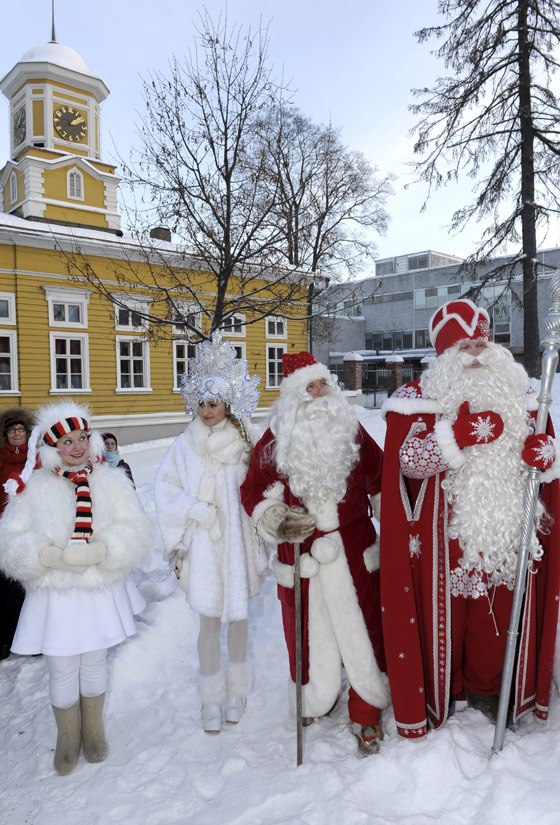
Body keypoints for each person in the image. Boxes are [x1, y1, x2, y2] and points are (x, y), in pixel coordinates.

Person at [380, 298, 560, 741]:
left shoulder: (522, 394)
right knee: (447, 621)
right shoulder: (417, 400)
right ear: (445, 353)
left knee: (493, 620)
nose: (476, 354)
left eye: (481, 345)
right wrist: (458, 434)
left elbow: (544, 462)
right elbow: (407, 464)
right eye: (464, 347)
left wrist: (546, 458)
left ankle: (489, 690)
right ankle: (443, 691)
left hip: (503, 532)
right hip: (445, 537)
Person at [240, 351, 389, 756]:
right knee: (304, 634)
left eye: (324, 383)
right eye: (311, 386)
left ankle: (366, 708)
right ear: (294, 396)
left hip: (354, 549)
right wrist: (277, 518)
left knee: (366, 630)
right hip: (302, 555)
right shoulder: (276, 439)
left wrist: (393, 526)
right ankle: (312, 699)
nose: (321, 392)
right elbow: (252, 490)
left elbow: (380, 479)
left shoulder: (351, 429)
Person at [0, 401, 152, 774]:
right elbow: (10, 538)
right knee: (62, 666)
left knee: (95, 662)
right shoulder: (33, 486)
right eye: (67, 442)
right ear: (53, 447)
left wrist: (105, 549)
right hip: (55, 595)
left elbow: (134, 527)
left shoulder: (109, 480)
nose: (78, 447)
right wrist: (44, 555)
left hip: (97, 589)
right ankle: (68, 738)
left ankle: (93, 730)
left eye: (82, 438)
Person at [155, 332, 267, 734]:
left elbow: (265, 484)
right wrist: (196, 510)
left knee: (238, 618)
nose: (206, 410)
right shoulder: (185, 445)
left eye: (214, 403)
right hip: (204, 543)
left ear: (228, 404)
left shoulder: (247, 443)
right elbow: (165, 490)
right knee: (208, 621)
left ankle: (237, 692)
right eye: (201, 403)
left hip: (237, 542)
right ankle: (210, 698)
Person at [0, 406, 35, 660]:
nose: (16, 433)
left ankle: (33, 637)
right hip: (4, 530)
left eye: (20, 429)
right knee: (7, 585)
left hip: (32, 529)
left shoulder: (36, 459)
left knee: (31, 585)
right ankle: (5, 637)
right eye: (11, 430)